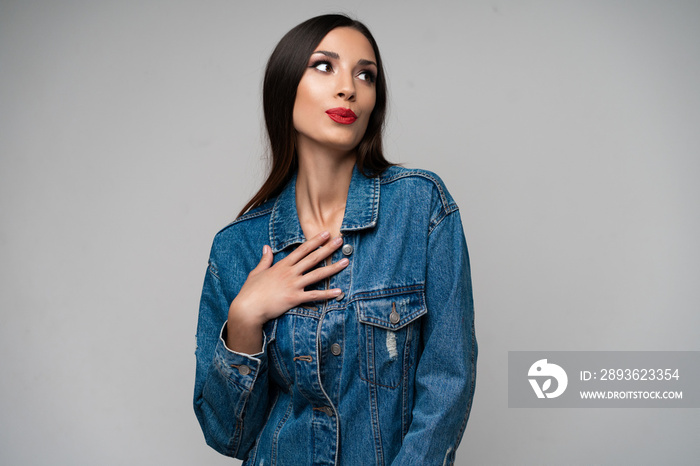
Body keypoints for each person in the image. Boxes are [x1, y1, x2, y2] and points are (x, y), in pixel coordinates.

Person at [194, 14, 477, 466]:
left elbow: (449, 380)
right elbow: (229, 435)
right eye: (324, 66)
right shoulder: (238, 246)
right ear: (285, 86)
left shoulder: (420, 207)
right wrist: (245, 319)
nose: (349, 88)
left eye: (365, 75)